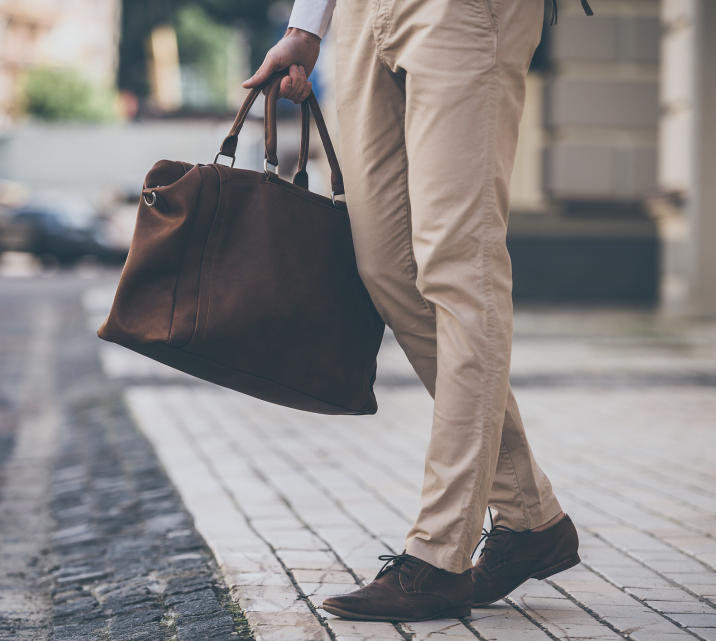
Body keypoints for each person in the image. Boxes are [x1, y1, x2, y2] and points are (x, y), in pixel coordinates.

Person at [245, 0, 593, 623]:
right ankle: (529, 516)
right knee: (385, 266)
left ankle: (439, 554)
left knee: (459, 265)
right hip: (357, 15)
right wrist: (305, 25)